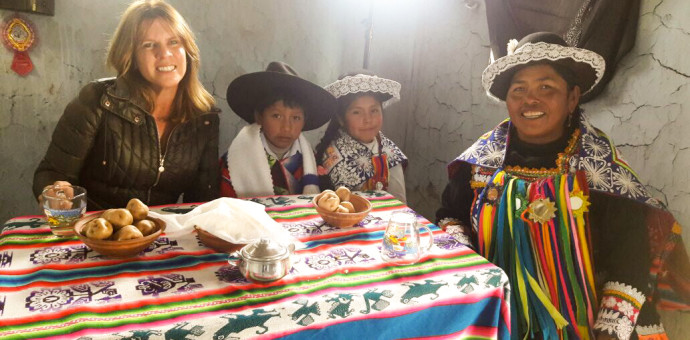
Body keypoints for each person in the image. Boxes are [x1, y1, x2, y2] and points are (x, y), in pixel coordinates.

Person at [436, 32, 690, 340]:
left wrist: (608, 331)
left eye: (546, 87)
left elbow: (630, 258)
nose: (531, 99)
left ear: (572, 98)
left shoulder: (601, 168)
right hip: (495, 313)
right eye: (519, 89)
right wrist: (467, 267)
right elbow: (451, 215)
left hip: (589, 320)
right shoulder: (481, 160)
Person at [32, 0, 219, 210]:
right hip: (94, 230)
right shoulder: (97, 99)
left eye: (174, 42)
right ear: (131, 55)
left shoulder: (205, 116)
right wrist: (55, 193)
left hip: (162, 233)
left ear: (188, 49)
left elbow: (203, 201)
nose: (164, 53)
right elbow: (50, 173)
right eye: (149, 45)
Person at [219, 62, 336, 198]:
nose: (286, 127)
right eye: (276, 116)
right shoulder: (235, 161)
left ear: (305, 121)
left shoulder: (311, 161)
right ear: (259, 117)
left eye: (296, 118)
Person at [315, 72, 408, 202]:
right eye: (357, 112)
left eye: (374, 110)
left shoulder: (390, 151)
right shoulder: (333, 157)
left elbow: (400, 204)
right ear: (341, 119)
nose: (368, 119)